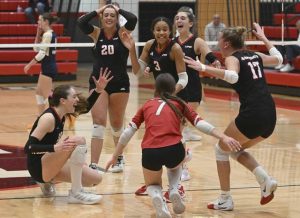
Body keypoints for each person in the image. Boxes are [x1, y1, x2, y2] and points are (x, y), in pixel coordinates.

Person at [105, 73, 241, 218]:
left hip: (151, 152)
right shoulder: (181, 103)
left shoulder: (147, 105)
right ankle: (174, 189)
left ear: (155, 88)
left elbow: (127, 132)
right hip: (174, 151)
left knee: (152, 185)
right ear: (173, 89)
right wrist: (223, 136)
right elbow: (200, 124)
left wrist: (115, 156)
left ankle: (158, 196)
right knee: (180, 151)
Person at [184, 22, 282, 210]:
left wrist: (202, 67)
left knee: (221, 149)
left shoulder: (233, 58)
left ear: (226, 43)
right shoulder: (255, 55)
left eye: (219, 39)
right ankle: (265, 180)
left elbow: (232, 76)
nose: (217, 42)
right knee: (234, 148)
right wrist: (263, 39)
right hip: (270, 113)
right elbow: (278, 59)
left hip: (253, 112)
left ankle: (225, 198)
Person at [24, 68, 113, 204]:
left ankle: (50, 181)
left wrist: (99, 90)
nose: (77, 100)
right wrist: (55, 147)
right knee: (78, 141)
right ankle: (76, 193)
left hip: (50, 162)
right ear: (63, 101)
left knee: (95, 179)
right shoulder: (48, 118)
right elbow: (28, 147)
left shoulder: (62, 113)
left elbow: (86, 107)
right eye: (74, 97)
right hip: (38, 167)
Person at [77, 4, 137, 173]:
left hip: (119, 83)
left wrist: (117, 9)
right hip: (98, 83)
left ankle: (119, 159)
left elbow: (133, 19)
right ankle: (94, 164)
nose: (109, 18)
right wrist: (98, 11)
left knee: (117, 124)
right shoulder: (96, 33)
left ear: (117, 18)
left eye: (112, 15)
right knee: (98, 122)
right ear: (102, 18)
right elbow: (81, 22)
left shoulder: (122, 32)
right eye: (106, 15)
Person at [24, 13, 58, 116]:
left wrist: (29, 65)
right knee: (39, 93)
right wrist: (38, 34)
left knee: (49, 97)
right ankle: (40, 117)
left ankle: (57, 118)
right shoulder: (47, 34)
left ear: (46, 21)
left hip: (48, 67)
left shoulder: (48, 34)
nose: (38, 22)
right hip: (46, 67)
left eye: (40, 20)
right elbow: (36, 49)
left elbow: (41, 53)